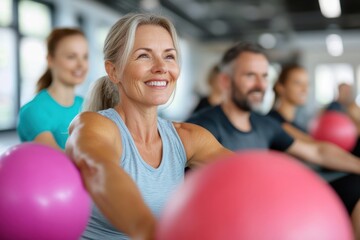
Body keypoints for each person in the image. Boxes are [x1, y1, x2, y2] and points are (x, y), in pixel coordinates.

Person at [65, 13, 231, 240]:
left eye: (169, 56)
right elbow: (98, 170)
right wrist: (150, 232)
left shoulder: (187, 138)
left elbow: (249, 175)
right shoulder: (95, 125)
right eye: (144, 56)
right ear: (113, 71)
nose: (161, 67)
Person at [187, 42, 360, 237]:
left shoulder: (264, 124)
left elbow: (317, 151)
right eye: (250, 76)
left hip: (275, 206)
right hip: (237, 219)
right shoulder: (201, 127)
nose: (260, 85)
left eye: (264, 76)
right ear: (226, 81)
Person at [17, 28, 88, 150]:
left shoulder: (87, 105)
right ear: (50, 60)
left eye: (85, 57)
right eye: (71, 57)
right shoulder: (33, 111)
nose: (81, 64)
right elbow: (59, 161)